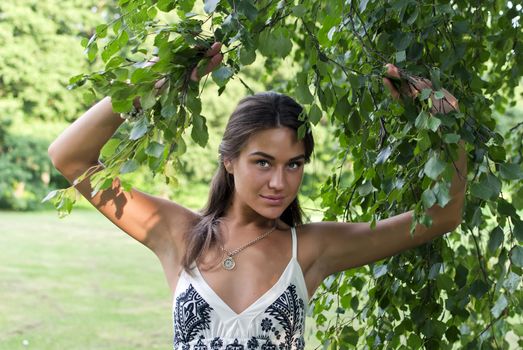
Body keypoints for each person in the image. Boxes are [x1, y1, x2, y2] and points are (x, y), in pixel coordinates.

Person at [48, 43, 467, 349]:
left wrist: (446, 127)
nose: (279, 183)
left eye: (294, 164)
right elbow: (70, 156)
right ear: (229, 160)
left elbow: (444, 215)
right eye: (263, 162)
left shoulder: (312, 249)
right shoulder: (177, 233)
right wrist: (151, 80)